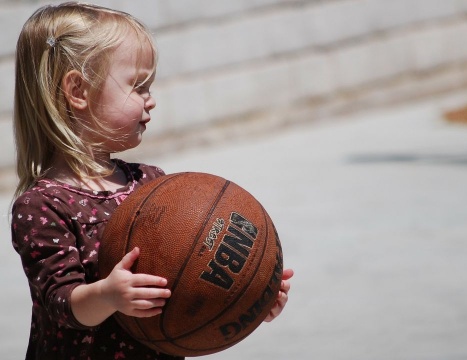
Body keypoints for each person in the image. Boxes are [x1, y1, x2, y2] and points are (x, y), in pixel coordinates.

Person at [10, 2, 294, 359]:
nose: (151, 100)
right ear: (78, 91)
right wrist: (109, 295)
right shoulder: (42, 205)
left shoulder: (151, 184)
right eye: (138, 86)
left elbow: (187, 284)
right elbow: (60, 303)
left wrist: (248, 296)